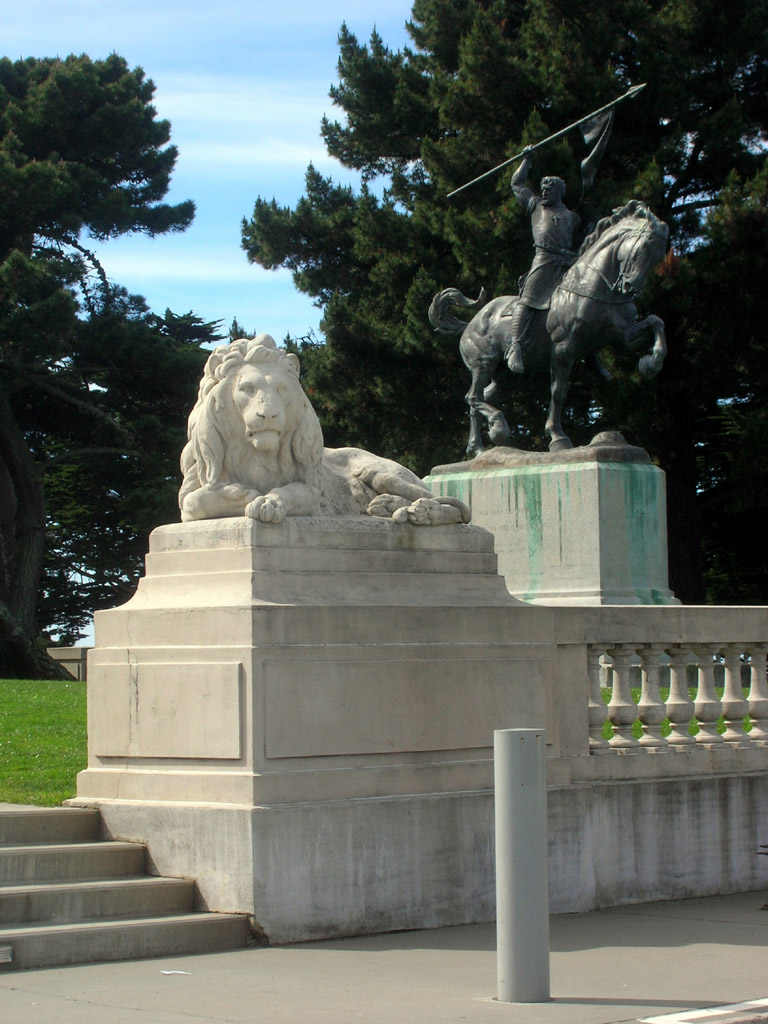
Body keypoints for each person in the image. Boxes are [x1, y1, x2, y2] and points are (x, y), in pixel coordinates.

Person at [503, 152, 582, 373]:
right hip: (544, 259)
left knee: (585, 302)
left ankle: (591, 353)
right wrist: (526, 160)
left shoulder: (572, 217)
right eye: (543, 188)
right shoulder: (536, 206)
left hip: (567, 261)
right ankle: (515, 346)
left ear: (560, 192)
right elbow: (516, 183)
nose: (545, 191)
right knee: (528, 299)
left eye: (550, 188)